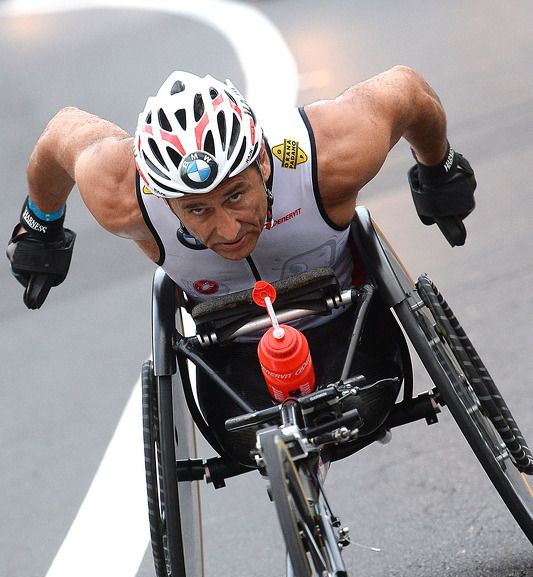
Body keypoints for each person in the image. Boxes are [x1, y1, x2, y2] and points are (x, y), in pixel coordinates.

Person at [6, 67, 476, 464]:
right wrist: (39, 226)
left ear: (264, 166)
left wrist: (439, 169)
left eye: (236, 195)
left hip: (360, 341)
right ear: (167, 203)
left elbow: (409, 91)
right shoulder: (125, 196)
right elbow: (60, 137)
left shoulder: (328, 154)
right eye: (197, 210)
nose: (227, 229)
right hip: (233, 376)